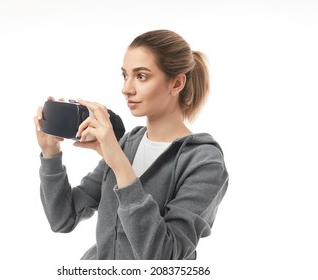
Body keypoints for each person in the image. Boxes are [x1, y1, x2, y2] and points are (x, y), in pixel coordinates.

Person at [34, 29, 229, 260]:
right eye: (125, 75)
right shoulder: (128, 143)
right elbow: (62, 219)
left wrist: (120, 164)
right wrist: (50, 154)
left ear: (176, 83)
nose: (127, 88)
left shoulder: (204, 162)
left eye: (142, 76)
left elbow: (164, 258)